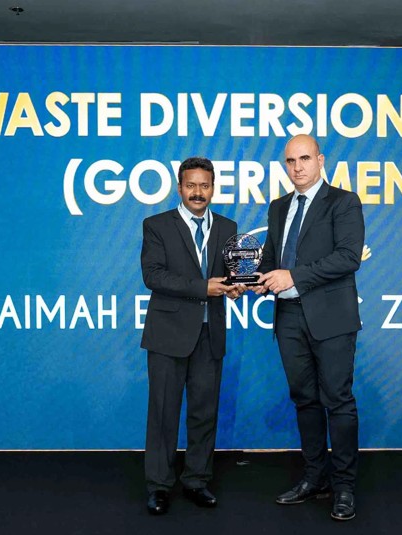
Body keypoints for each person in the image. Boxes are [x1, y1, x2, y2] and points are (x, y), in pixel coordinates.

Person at [254, 134, 365, 521]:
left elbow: (348, 257)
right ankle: (315, 477)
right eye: (290, 161)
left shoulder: (343, 202)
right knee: (305, 400)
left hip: (331, 317)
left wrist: (294, 276)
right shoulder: (278, 207)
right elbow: (271, 259)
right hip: (288, 317)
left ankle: (344, 485)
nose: (297, 167)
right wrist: (250, 280)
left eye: (304, 158)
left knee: (338, 400)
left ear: (320, 160)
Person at [140, 156, 244, 515]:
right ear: (179, 188)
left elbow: (229, 276)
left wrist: (234, 287)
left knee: (204, 411)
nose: (198, 192)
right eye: (191, 185)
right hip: (168, 334)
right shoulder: (156, 225)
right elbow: (153, 275)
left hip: (209, 333)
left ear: (213, 188)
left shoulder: (228, 227)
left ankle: (197, 479)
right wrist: (204, 287)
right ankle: (158, 485)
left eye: (204, 185)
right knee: (163, 414)